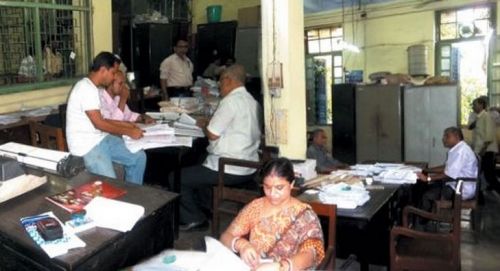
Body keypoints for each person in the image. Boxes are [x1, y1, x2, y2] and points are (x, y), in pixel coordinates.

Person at [179, 64, 261, 231]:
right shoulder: (253, 101)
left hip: (229, 167)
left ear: (228, 80)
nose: (219, 87)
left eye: (220, 83)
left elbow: (212, 134)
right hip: (249, 165)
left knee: (177, 177)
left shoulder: (230, 101)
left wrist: (204, 125)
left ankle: (194, 219)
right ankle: (206, 208)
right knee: (201, 160)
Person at [220, 158, 325, 271]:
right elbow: (225, 236)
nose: (272, 193)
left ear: (292, 184)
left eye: (279, 188)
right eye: (267, 187)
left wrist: (280, 267)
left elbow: (311, 253)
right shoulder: (256, 207)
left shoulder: (304, 214)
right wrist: (241, 245)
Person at [66, 51, 146, 185]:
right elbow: (99, 124)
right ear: (103, 70)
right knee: (111, 185)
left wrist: (129, 125)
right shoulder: (85, 88)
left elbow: (103, 120)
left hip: (100, 138)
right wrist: (129, 132)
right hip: (87, 146)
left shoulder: (94, 89)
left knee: (138, 157)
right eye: (113, 73)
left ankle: (133, 196)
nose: (114, 77)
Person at [416, 127, 478, 213]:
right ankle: (424, 212)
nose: (443, 139)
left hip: (461, 188)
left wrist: (428, 178)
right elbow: (447, 167)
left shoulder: (461, 152)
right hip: (455, 182)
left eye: (447, 136)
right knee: (425, 186)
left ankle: (423, 221)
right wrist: (427, 170)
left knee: (427, 195)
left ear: (456, 136)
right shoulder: (459, 148)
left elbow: (448, 173)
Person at [471, 97, 499, 193]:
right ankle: (479, 198)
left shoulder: (487, 116)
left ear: (481, 105)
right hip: (481, 150)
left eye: (474, 104)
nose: (473, 107)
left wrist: (482, 151)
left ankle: (480, 197)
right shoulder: (479, 117)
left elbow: (489, 136)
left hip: (486, 151)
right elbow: (471, 128)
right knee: (478, 174)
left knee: (489, 176)